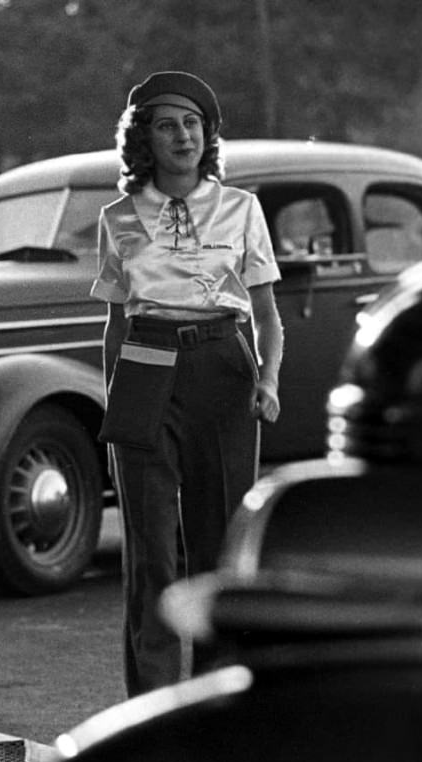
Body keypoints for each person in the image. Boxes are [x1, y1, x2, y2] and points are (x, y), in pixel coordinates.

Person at [90, 71, 284, 697]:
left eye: (193, 123)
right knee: (151, 555)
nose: (183, 136)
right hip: (144, 366)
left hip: (222, 366)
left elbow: (266, 313)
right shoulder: (117, 218)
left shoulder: (241, 207)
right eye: (168, 124)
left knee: (218, 549)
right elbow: (116, 322)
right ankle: (149, 710)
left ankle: (216, 702)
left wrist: (268, 379)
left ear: (208, 134)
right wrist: (115, 406)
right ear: (144, 137)